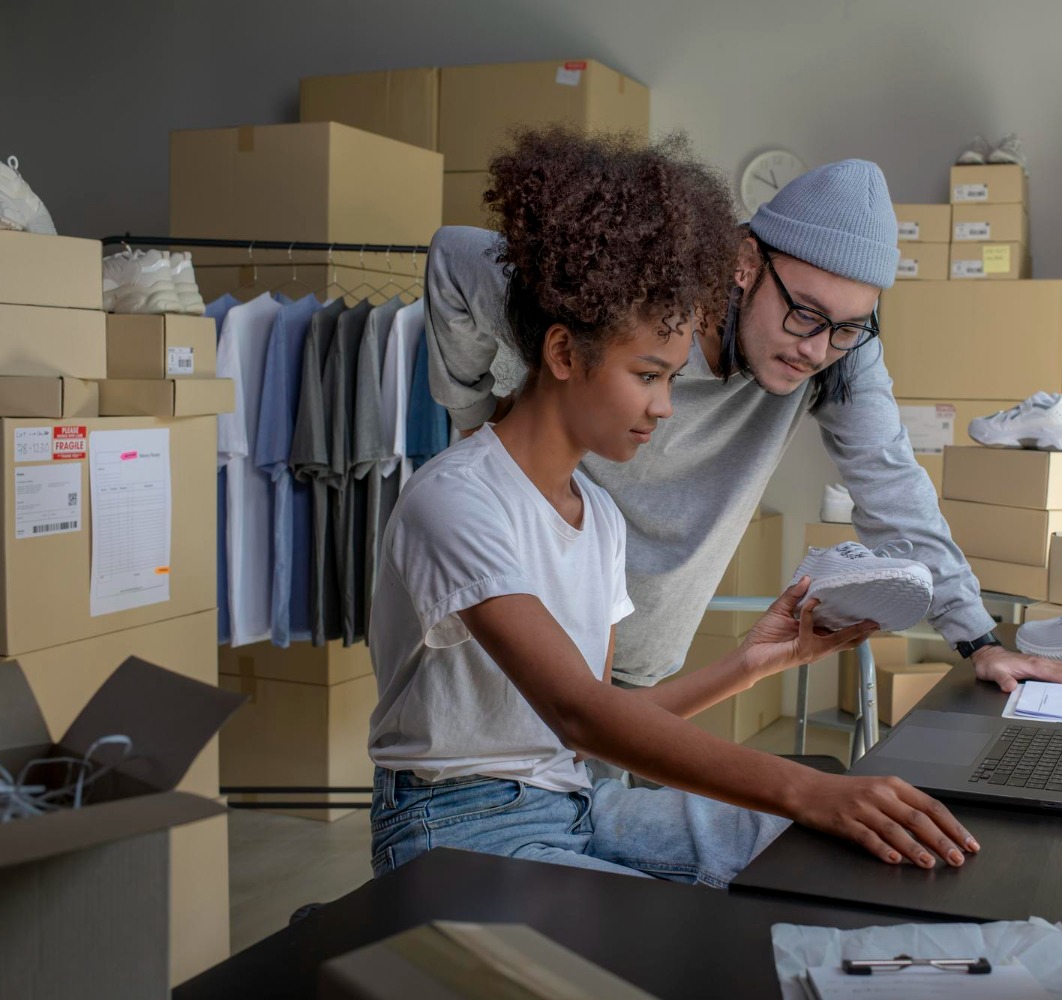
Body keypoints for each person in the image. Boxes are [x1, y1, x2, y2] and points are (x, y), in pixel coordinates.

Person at [368, 127, 978, 883]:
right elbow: (581, 715)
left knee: (822, 855)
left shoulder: (599, 520)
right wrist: (809, 788)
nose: (667, 409)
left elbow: (588, 735)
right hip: (459, 822)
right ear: (563, 354)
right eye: (652, 375)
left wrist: (753, 663)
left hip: (574, 796)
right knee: (694, 928)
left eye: (670, 377)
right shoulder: (456, 502)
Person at [425, 157, 1062, 696]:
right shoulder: (632, 298)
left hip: (634, 659)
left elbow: (894, 489)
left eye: (848, 328)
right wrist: (477, 422)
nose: (816, 348)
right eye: (805, 314)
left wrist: (979, 641)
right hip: (510, 631)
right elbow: (456, 258)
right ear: (746, 262)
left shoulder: (837, 356)